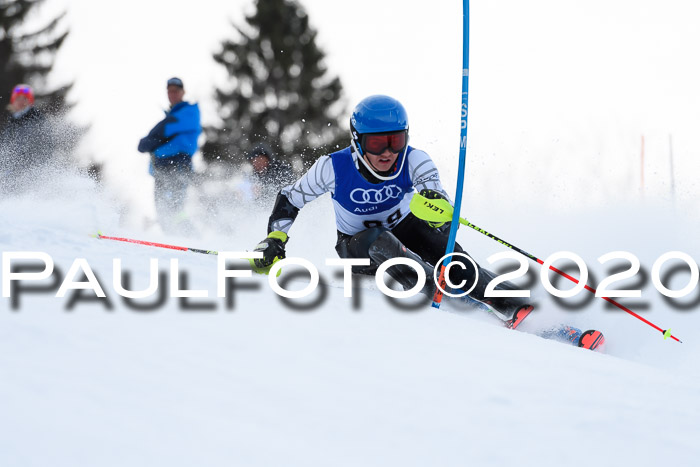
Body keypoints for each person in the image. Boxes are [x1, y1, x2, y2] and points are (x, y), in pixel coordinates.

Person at [251, 95, 533, 328]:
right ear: (358, 140)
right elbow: (291, 198)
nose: (387, 152)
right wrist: (275, 238)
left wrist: (441, 217)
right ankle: (439, 294)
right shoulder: (332, 167)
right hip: (358, 248)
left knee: (456, 263)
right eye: (376, 143)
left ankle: (520, 307)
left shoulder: (414, 159)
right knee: (379, 238)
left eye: (396, 141)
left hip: (406, 229)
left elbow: (434, 193)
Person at [138, 77, 201, 234]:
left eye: (176, 91)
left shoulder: (190, 111)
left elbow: (165, 129)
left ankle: (191, 238)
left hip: (177, 165)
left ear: (183, 92)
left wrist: (151, 140)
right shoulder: (172, 115)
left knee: (174, 208)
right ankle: (174, 241)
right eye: (170, 91)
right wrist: (151, 141)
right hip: (161, 168)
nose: (172, 94)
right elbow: (159, 134)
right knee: (163, 210)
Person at [0, 84, 53, 193]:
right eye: (18, 98)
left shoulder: (35, 118)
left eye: (24, 98)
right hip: (12, 169)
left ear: (30, 101)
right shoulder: (12, 121)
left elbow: (45, 144)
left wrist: (29, 163)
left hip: (30, 168)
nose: (21, 101)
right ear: (13, 101)